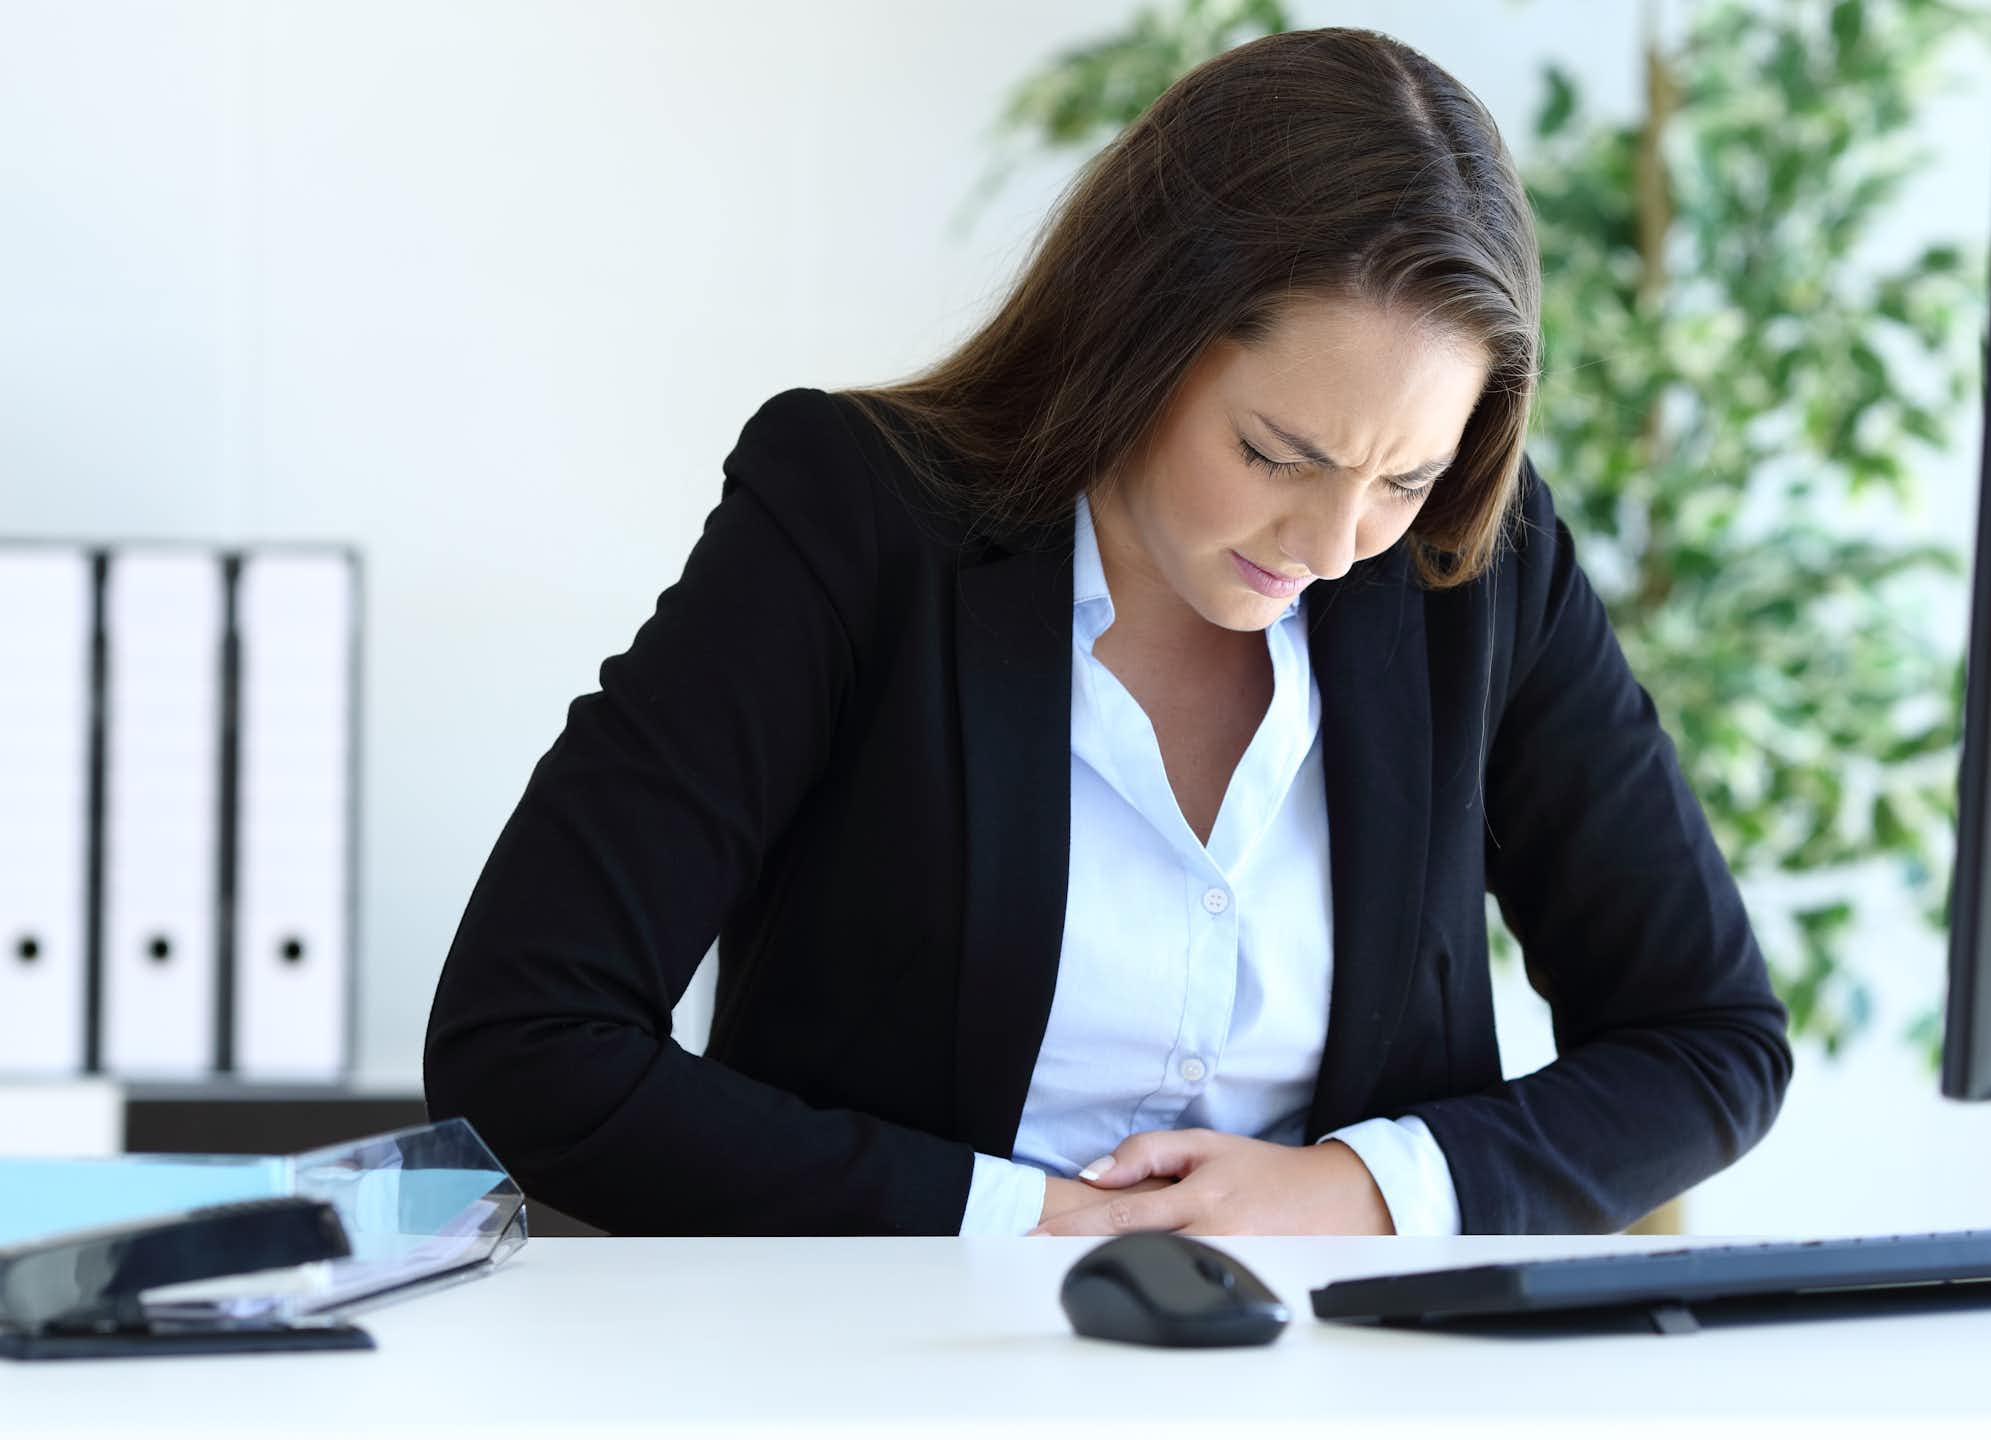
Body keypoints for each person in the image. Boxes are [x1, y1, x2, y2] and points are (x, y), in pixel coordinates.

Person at [422, 26, 1791, 1238]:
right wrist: (1018, 1218)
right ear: (1139, 332)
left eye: (1404, 478)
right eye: (1276, 453)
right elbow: (524, 1040)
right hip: (879, 1376)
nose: (1331, 547)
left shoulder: (1474, 568)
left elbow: (1710, 1039)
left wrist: (1362, 1190)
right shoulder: (850, 518)